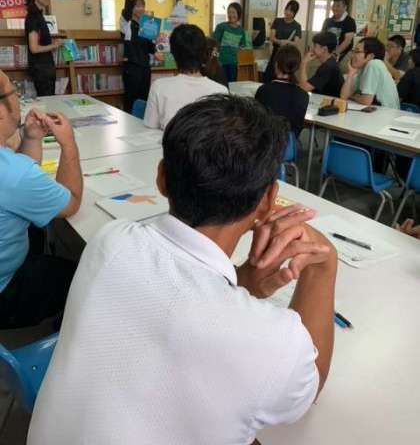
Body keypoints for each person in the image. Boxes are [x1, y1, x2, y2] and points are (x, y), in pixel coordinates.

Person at [28, 94, 337, 445]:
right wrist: (323, 265)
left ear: (161, 178)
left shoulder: (110, 240)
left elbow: (177, 298)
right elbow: (309, 386)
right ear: (268, 200)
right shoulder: (273, 342)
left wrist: (244, 281)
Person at [0, 70, 82, 329]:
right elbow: (71, 202)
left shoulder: (12, 169)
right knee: (82, 276)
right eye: (14, 91)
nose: (19, 99)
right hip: (5, 292)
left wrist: (32, 137)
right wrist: (68, 144)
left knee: (37, 230)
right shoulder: (12, 173)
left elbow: (22, 178)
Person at [144, 24, 228, 130]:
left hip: (168, 141)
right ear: (203, 52)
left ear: (173, 54)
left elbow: (150, 130)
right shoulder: (221, 91)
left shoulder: (159, 87)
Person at [120, 0, 156, 113]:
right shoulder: (126, 23)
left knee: (143, 100)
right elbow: (127, 10)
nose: (141, 8)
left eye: (143, 6)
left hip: (145, 68)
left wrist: (156, 49)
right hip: (132, 68)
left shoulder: (146, 24)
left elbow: (150, 46)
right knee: (131, 99)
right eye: (137, 6)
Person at [255, 44, 309, 136]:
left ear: (276, 64)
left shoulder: (263, 90)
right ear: (296, 67)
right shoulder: (303, 95)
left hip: (265, 141)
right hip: (289, 142)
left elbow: (257, 121)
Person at [25, 0, 62, 96]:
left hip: (45, 68)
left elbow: (40, 42)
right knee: (47, 102)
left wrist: (52, 43)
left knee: (49, 101)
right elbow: (34, 48)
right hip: (41, 69)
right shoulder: (33, 17)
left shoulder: (39, 15)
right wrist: (54, 45)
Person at [340, 37, 400, 109]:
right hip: (377, 111)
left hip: (387, 112)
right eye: (353, 51)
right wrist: (351, 73)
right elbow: (344, 96)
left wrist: (354, 97)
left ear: (370, 56)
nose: (352, 55)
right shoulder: (363, 69)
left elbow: (366, 101)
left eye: (357, 52)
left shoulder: (374, 64)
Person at [265, 0, 302, 83]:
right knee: (268, 76)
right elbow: (272, 38)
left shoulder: (297, 26)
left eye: (291, 11)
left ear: (295, 13)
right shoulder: (277, 21)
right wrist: (280, 42)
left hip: (287, 55)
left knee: (284, 78)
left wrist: (287, 43)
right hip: (276, 53)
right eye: (287, 9)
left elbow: (296, 43)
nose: (287, 12)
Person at [299, 32, 344, 97]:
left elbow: (304, 88)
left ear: (324, 49)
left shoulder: (328, 67)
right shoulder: (331, 62)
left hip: (328, 101)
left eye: (315, 46)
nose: (312, 49)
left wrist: (303, 63)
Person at [213, 2, 246, 83]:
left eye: (233, 12)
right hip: (221, 63)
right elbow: (214, 45)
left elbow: (241, 47)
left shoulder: (241, 31)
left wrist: (238, 62)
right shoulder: (221, 27)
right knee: (220, 85)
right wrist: (215, 60)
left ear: (239, 14)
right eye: (229, 12)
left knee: (232, 85)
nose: (231, 15)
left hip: (233, 64)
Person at [322, 0, 356, 67]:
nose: (334, 8)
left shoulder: (349, 21)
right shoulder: (327, 21)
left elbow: (347, 41)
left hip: (343, 55)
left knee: (339, 72)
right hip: (328, 54)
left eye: (338, 6)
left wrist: (335, 54)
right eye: (333, 5)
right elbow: (322, 37)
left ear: (345, 7)